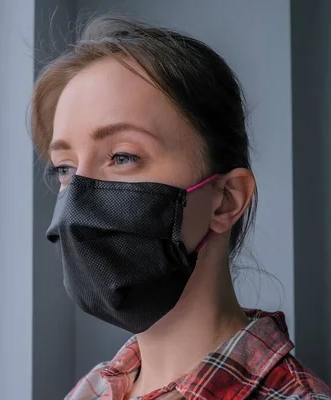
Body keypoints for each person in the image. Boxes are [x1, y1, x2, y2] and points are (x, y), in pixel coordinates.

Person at [31, 14, 331, 400]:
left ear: (226, 200)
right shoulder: (92, 390)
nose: (77, 199)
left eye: (122, 157)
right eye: (65, 168)